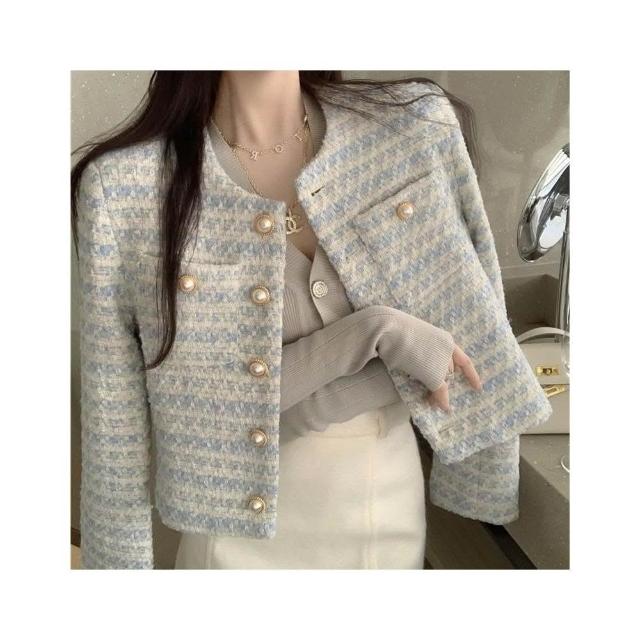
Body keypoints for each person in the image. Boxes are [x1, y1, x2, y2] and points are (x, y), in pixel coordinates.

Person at [72, 71, 550, 570]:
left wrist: (484, 477)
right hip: (233, 548)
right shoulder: (124, 189)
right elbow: (145, 426)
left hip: (385, 523)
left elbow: (475, 337)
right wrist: (372, 334)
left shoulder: (413, 126)